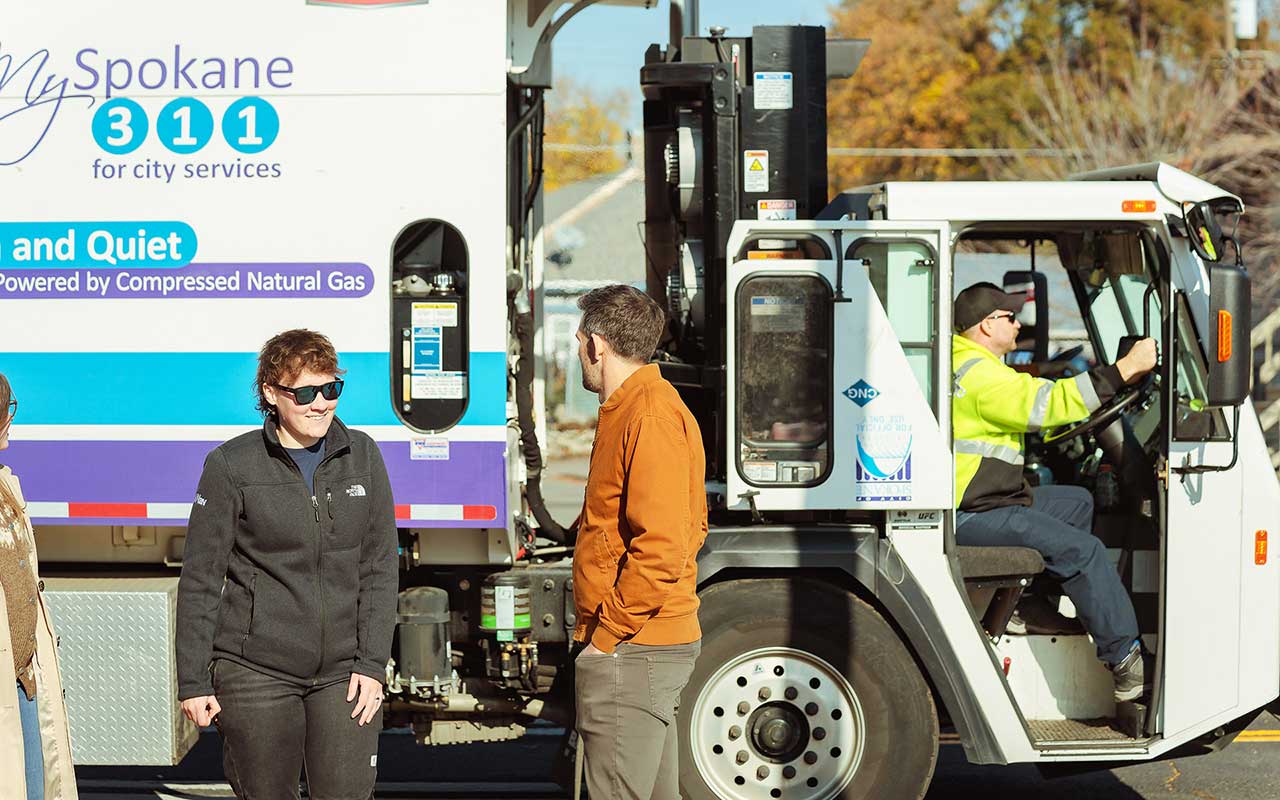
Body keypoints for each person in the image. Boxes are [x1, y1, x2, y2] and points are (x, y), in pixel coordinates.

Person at [176, 329, 398, 800]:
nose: (320, 404)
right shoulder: (231, 465)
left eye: (331, 389)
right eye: (305, 393)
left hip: (344, 674)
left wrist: (372, 664)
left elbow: (379, 568)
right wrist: (193, 681)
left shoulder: (363, 455)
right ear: (271, 394)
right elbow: (200, 578)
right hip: (256, 673)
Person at [951, 282, 1158, 702]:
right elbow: (1046, 405)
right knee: (1083, 551)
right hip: (974, 511)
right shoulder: (981, 375)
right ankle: (1127, 662)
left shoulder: (969, 364)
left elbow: (1033, 400)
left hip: (984, 499)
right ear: (988, 325)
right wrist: (1123, 371)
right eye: (1010, 317)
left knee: (1075, 502)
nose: (1018, 323)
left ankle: (1031, 606)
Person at [571, 285, 708, 800]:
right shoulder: (639, 407)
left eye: (579, 339)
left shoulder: (647, 416)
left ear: (598, 346)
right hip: (642, 645)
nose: (578, 351)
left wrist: (606, 638)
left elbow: (665, 546)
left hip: (634, 648)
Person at [0, 375, 78, 800]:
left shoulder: (5, 484)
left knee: (31, 788)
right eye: (7, 410)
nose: (11, 420)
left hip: (21, 679)